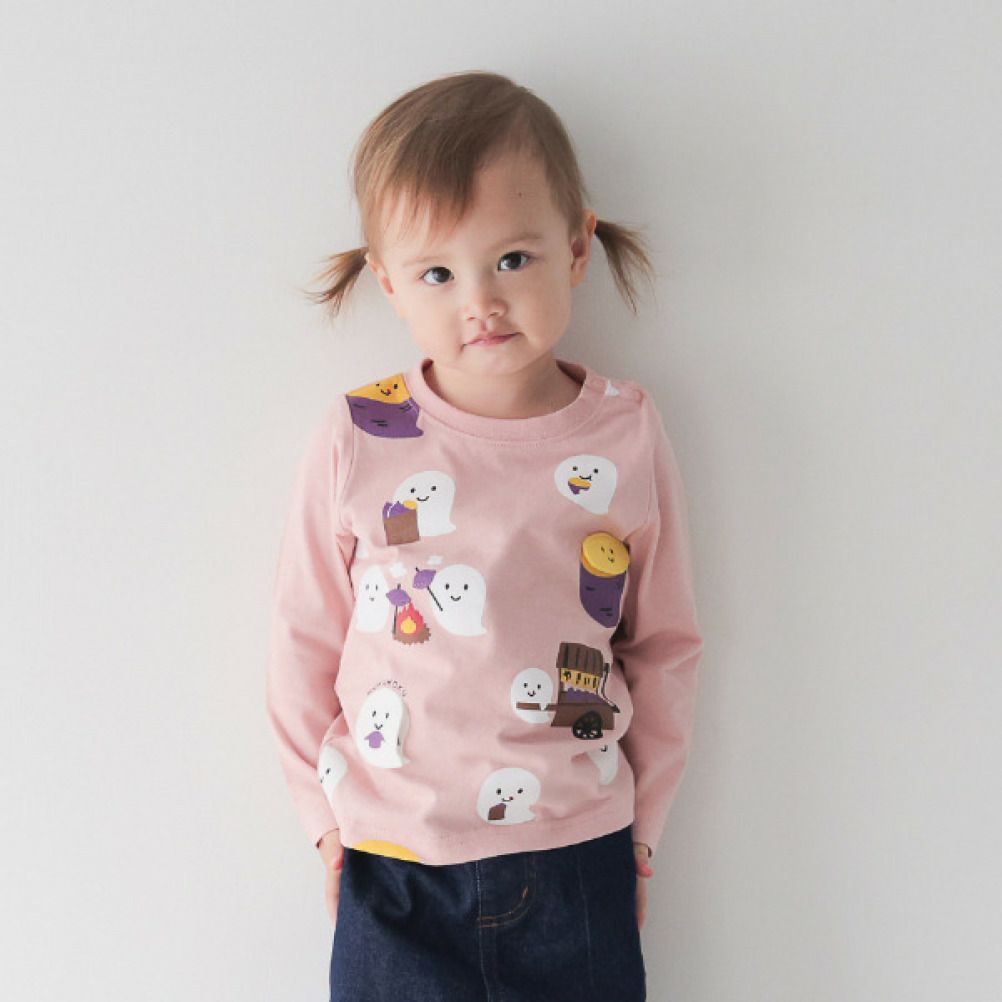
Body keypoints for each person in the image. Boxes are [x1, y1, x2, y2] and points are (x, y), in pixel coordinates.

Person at [266, 69, 704, 1002]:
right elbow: (303, 638)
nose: (481, 302)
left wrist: (643, 831)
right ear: (390, 283)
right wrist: (323, 819)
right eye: (439, 273)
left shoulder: (625, 432)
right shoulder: (359, 435)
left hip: (575, 857)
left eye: (512, 258)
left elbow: (664, 643)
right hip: (394, 865)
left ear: (576, 246)